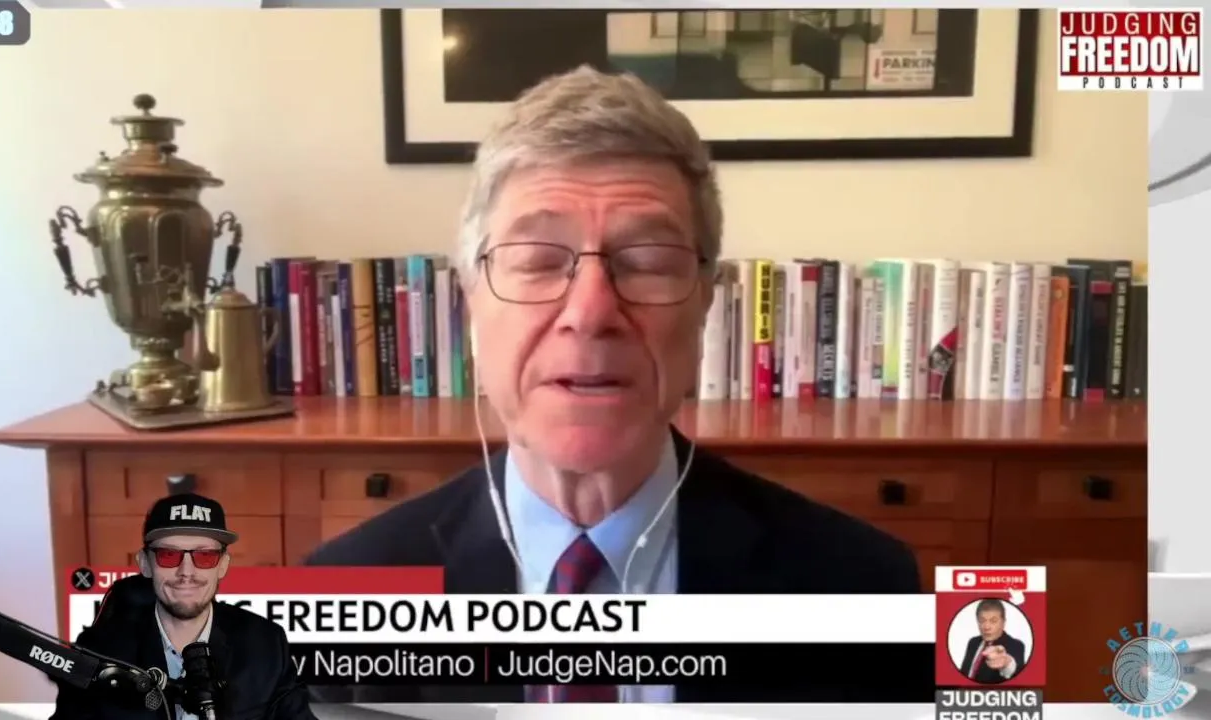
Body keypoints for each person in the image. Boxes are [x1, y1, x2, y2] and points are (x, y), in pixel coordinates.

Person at [306, 65, 923, 703]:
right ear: (471, 299)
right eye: (538, 261)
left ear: (705, 302)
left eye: (647, 263)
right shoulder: (339, 598)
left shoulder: (866, 589)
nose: (592, 311)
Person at [50, 493, 315, 720]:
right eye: (169, 555)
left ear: (223, 565)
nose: (186, 572)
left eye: (205, 556)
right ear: (145, 564)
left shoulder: (265, 644)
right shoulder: (100, 651)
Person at [956, 598, 1027, 684]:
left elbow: (1015, 670)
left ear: (1003, 622)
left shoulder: (1016, 645)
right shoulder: (973, 642)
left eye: (993, 621)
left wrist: (1006, 663)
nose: (986, 627)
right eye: (982, 620)